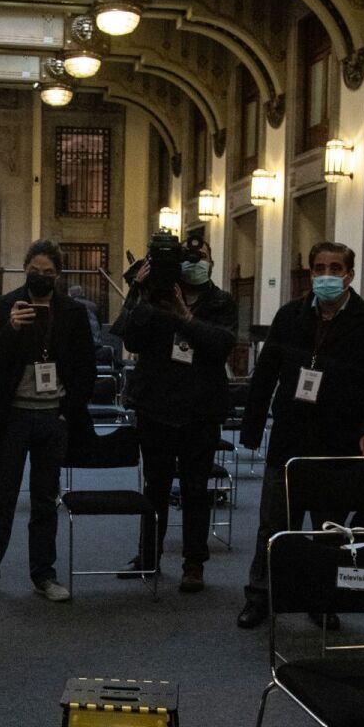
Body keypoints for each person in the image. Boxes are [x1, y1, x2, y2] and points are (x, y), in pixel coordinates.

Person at [236, 241, 364, 629]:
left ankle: (322, 598)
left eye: (336, 267)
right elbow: (267, 373)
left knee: (329, 529)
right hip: (290, 437)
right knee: (273, 526)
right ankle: (260, 594)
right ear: (311, 273)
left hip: (339, 441)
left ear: (350, 274)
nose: (327, 274)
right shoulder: (290, 315)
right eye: (320, 267)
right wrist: (253, 426)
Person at [0, 240, 95, 604]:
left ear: (58, 274)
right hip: (13, 417)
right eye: (35, 271)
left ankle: (44, 575)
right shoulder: (6, 306)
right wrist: (11, 329)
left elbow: (87, 366)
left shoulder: (71, 312)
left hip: (53, 417)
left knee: (44, 501)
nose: (41, 277)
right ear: (25, 270)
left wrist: (70, 409)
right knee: (2, 500)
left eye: (48, 272)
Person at [117, 235, 237, 592]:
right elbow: (130, 339)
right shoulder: (154, 293)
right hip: (156, 406)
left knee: (195, 489)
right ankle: (148, 556)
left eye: (201, 256)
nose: (195, 261)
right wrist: (139, 292)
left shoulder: (222, 302)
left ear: (212, 263)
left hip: (200, 409)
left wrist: (185, 318)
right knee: (154, 486)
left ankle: (194, 563)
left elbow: (221, 346)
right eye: (189, 256)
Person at [68, 284, 103, 349]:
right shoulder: (93, 305)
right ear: (82, 293)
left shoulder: (70, 305)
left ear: (71, 294)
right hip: (95, 341)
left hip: (77, 343)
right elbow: (99, 324)